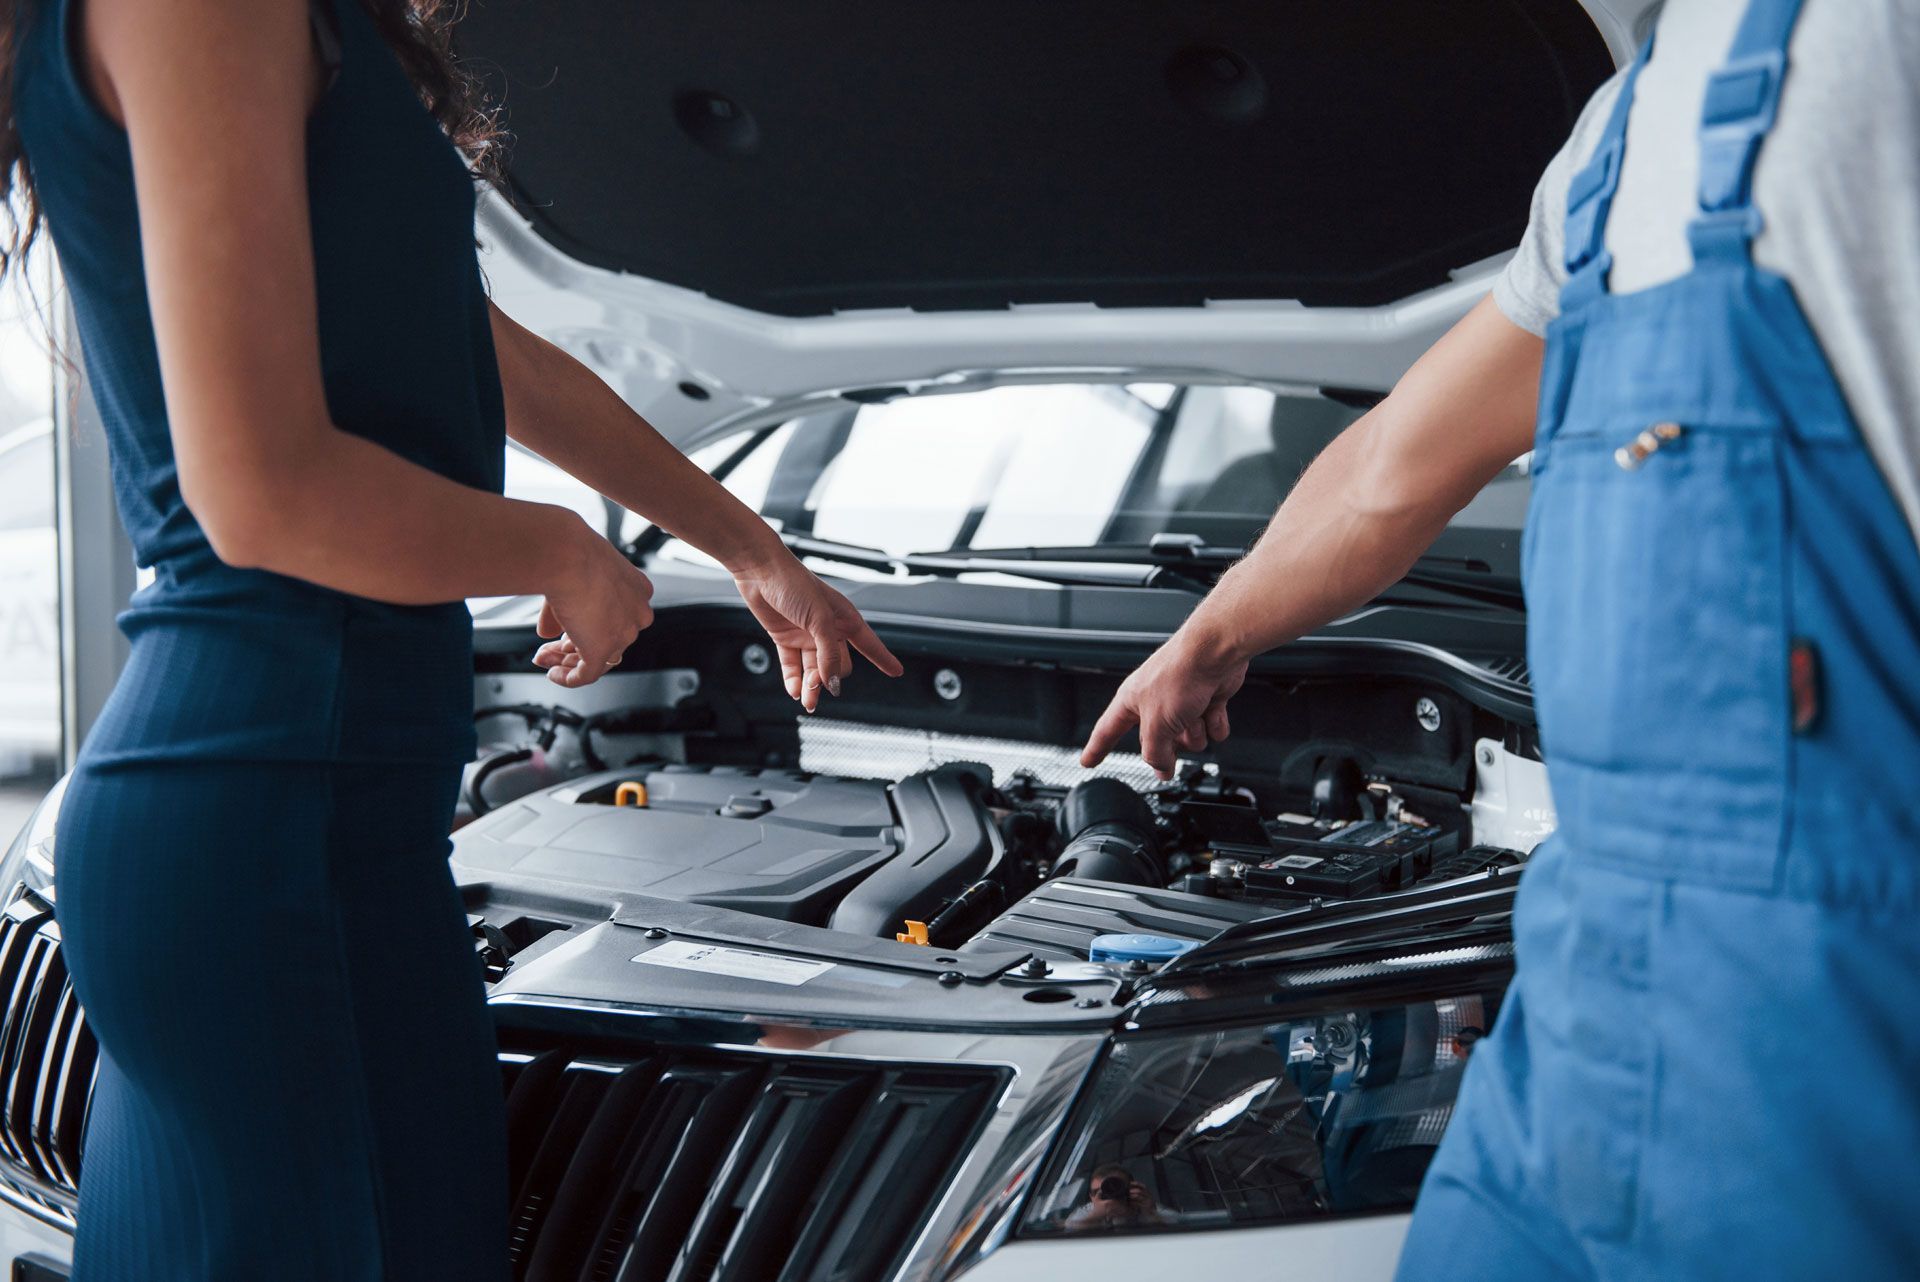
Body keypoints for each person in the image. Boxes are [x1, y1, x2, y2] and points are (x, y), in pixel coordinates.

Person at [2, 0, 900, 1276]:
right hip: (272, 820)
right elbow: (260, 491)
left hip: (297, 811)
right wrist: (556, 549)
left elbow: (485, 353)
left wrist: (751, 549)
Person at [1082, 1, 1919, 1276]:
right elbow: (1390, 466)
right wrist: (1209, 636)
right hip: (1576, 1028)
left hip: (1833, 1055)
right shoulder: (1617, 140)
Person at [1061, 1164, 1165, 1232]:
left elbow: (1177, 1222)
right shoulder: (1088, 1211)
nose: (1109, 1194)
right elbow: (1067, 1229)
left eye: (1115, 1187)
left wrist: (1151, 1214)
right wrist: (1095, 1217)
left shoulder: (1143, 1206)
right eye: (1099, 1192)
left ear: (1132, 1188)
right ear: (1091, 1197)